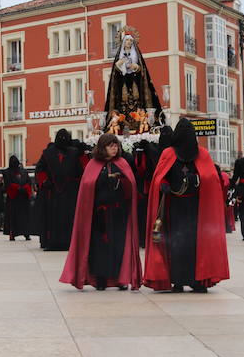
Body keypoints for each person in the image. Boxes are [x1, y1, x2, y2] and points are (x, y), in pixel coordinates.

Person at [143, 118, 229, 292]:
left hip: (197, 208)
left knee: (196, 244)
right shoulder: (168, 153)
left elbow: (211, 179)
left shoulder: (202, 154)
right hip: (174, 206)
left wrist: (197, 179)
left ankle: (198, 280)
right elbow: (159, 176)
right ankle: (178, 281)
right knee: (176, 244)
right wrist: (163, 184)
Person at [60, 134, 141, 291]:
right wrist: (103, 179)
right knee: (100, 248)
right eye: (110, 145)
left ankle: (120, 279)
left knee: (119, 246)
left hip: (118, 213)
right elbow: (87, 187)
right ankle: (101, 279)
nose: (114, 148)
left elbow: (131, 186)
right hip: (99, 215)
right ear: (102, 147)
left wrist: (120, 181)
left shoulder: (122, 163)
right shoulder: (93, 164)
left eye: (116, 145)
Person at [34, 129, 84, 251]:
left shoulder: (74, 152)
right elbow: (40, 170)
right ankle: (54, 242)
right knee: (54, 217)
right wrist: (45, 181)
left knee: (67, 217)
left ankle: (68, 242)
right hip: (54, 191)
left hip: (69, 191)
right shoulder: (48, 153)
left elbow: (80, 171)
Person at [4, 155, 32, 241]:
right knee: (13, 216)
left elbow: (29, 182)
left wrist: (25, 188)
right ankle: (13, 233)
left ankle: (26, 233)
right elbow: (8, 184)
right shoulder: (6, 172)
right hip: (14, 197)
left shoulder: (24, 171)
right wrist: (18, 188)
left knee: (25, 216)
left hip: (23, 197)